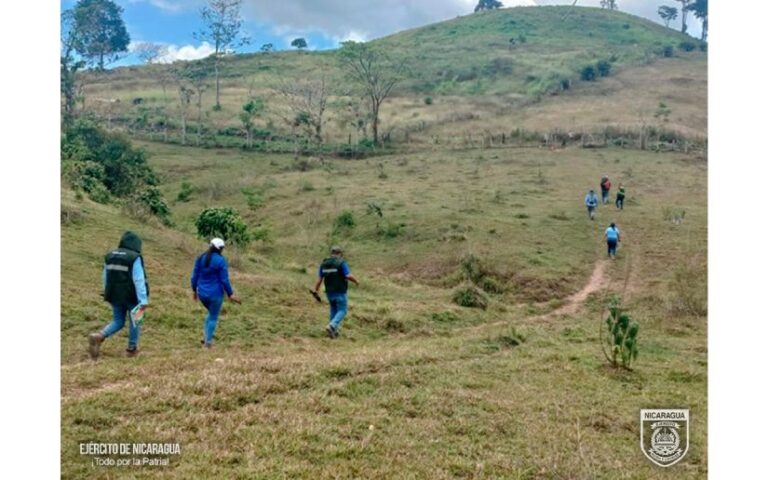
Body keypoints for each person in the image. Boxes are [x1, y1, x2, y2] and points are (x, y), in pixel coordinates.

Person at [89, 231, 149, 359]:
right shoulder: (135, 257)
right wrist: (143, 300)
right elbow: (139, 279)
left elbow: (105, 276)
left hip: (114, 295)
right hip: (132, 296)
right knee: (136, 321)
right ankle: (131, 349)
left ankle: (99, 336)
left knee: (118, 320)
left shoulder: (109, 255)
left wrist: (106, 291)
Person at [191, 238, 241, 349]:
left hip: (202, 293)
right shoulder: (221, 260)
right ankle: (208, 343)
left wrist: (194, 291)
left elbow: (194, 276)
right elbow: (224, 280)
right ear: (220, 249)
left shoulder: (200, 258)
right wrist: (230, 293)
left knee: (210, 314)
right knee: (213, 317)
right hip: (215, 294)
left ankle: (205, 337)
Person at [313, 246, 359, 339]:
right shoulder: (341, 263)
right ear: (340, 254)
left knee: (333, 310)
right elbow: (348, 275)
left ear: (331, 253)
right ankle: (332, 325)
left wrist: (316, 290)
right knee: (342, 310)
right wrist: (356, 281)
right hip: (340, 291)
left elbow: (319, 280)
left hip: (329, 293)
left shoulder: (324, 264)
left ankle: (333, 332)